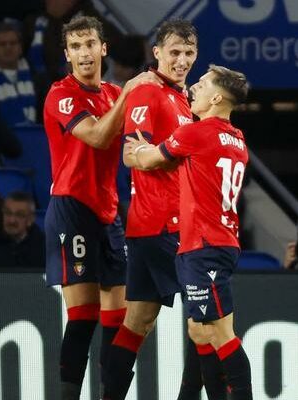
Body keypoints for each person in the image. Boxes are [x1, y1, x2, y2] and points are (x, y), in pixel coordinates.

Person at [102, 20, 225, 400]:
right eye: (174, 52)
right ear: (157, 53)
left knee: (137, 322)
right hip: (164, 226)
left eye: (189, 53)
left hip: (162, 225)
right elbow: (130, 155)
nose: (182, 60)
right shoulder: (148, 93)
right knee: (206, 322)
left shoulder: (185, 97)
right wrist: (172, 153)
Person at [42, 15, 159, 399]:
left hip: (109, 213)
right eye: (75, 46)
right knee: (82, 317)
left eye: (89, 44)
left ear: (103, 48)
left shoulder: (112, 93)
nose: (84, 53)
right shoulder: (60, 93)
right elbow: (95, 135)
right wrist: (129, 93)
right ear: (67, 54)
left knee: (119, 317)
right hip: (71, 208)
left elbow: (134, 141)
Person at [124, 64, 253, 400]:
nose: (193, 87)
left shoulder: (197, 133)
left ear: (216, 97)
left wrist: (135, 152)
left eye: (202, 83)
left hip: (204, 245)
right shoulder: (237, 139)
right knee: (199, 330)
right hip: (218, 241)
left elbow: (149, 159)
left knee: (221, 334)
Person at [0, 21, 42, 126]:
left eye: (13, 43)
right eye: (2, 44)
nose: (8, 48)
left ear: (21, 48)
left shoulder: (38, 76)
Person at [0, 190, 45, 268]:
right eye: (8, 213)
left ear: (30, 219)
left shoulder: (44, 246)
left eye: (19, 215)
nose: (11, 220)